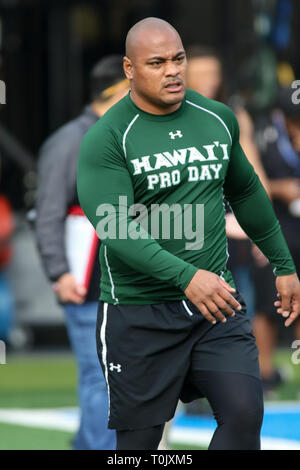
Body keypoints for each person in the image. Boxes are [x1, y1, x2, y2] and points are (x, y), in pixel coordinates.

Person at [77, 18, 300, 450]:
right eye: (156, 63)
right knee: (139, 447)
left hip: (215, 304)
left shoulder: (217, 118)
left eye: (178, 59)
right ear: (129, 69)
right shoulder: (106, 139)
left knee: (244, 414)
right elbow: (116, 228)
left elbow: (248, 192)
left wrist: (283, 265)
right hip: (139, 313)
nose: (172, 70)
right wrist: (185, 276)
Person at [35, 55, 129, 450]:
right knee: (98, 372)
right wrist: (59, 272)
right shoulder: (70, 140)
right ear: (117, 92)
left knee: (116, 373)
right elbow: (47, 211)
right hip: (85, 280)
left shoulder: (121, 134)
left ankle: (87, 444)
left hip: (121, 279)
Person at [252, 86, 300, 392]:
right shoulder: (261, 133)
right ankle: (263, 374)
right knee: (269, 304)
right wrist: (279, 187)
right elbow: (248, 182)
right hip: (275, 227)